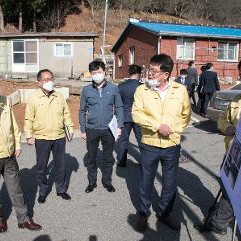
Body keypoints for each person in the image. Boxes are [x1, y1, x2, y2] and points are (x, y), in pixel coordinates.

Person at [195, 56, 241, 235]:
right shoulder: (238, 99)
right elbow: (222, 118)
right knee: (227, 186)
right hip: (233, 153)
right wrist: (227, 127)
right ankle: (220, 222)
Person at [0, 71, 42, 233]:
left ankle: (24, 219)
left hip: (9, 155)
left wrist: (17, 145)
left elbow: (13, 126)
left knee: (16, 190)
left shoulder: (5, 101)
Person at [132, 54, 191, 231]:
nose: (149, 74)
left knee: (170, 183)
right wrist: (158, 126)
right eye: (149, 70)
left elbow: (185, 116)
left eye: (153, 71)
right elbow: (136, 114)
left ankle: (165, 213)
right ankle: (143, 213)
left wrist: (173, 129)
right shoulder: (142, 90)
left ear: (165, 74)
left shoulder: (180, 90)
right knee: (146, 181)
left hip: (171, 144)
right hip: (149, 143)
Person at [25, 69, 74, 204]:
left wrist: (70, 128)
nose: (49, 82)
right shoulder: (33, 98)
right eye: (46, 80)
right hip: (42, 138)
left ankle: (61, 189)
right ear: (39, 83)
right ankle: (43, 190)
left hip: (59, 137)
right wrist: (29, 135)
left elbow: (66, 114)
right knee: (41, 167)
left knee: (60, 165)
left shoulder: (59, 97)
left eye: (51, 78)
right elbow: (28, 118)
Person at [79, 60, 124, 193]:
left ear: (105, 72)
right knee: (91, 158)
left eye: (99, 72)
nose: (97, 75)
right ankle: (92, 182)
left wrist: (119, 126)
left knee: (108, 158)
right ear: (90, 74)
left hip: (109, 129)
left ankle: (107, 182)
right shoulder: (86, 90)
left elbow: (119, 108)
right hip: (91, 129)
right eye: (94, 73)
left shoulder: (113, 88)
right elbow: (82, 111)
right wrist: (82, 129)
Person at [116, 64, 142, 167]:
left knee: (123, 140)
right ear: (138, 74)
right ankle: (145, 161)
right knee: (141, 139)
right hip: (139, 116)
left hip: (125, 116)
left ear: (129, 73)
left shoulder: (122, 86)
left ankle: (122, 161)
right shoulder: (142, 86)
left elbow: (118, 103)